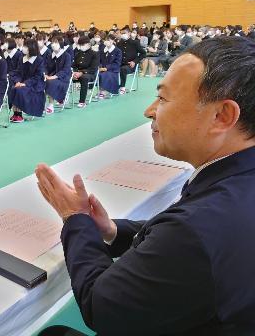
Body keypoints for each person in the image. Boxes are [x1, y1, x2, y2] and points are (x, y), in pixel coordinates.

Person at [37, 36, 255, 336]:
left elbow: (101, 306)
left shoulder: (200, 226)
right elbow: (175, 239)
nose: (150, 110)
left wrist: (75, 220)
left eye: (163, 99)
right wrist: (113, 231)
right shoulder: (235, 183)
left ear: (221, 116)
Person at [10, 38, 45, 122]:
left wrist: (25, 83)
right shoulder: (22, 58)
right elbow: (18, 72)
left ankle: (19, 115)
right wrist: (18, 81)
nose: (24, 48)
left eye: (26, 46)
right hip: (22, 83)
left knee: (19, 90)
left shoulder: (39, 60)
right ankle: (15, 113)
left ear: (32, 47)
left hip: (35, 85)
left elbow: (37, 76)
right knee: (13, 88)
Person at [45, 36, 73, 114]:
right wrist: (46, 74)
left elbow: (66, 70)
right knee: (41, 81)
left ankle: (50, 105)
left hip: (63, 78)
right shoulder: (50, 55)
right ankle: (40, 103)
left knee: (51, 82)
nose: (53, 44)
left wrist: (54, 76)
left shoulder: (67, 56)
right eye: (52, 42)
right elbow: (46, 67)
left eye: (56, 42)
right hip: (51, 77)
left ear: (60, 44)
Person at [71, 37, 99, 108]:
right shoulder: (78, 54)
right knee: (65, 76)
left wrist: (81, 73)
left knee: (84, 78)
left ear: (89, 44)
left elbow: (93, 68)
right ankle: (62, 99)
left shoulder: (94, 54)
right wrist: (74, 72)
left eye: (83, 44)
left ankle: (82, 101)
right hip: (77, 74)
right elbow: (74, 65)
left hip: (90, 74)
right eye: (80, 44)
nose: (81, 46)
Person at [117, 27, 145, 94]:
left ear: (129, 33)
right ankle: (111, 87)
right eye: (122, 33)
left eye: (124, 33)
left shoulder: (135, 43)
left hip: (130, 65)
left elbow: (143, 53)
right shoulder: (119, 43)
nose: (123, 34)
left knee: (123, 69)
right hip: (120, 64)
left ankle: (122, 87)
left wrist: (134, 61)